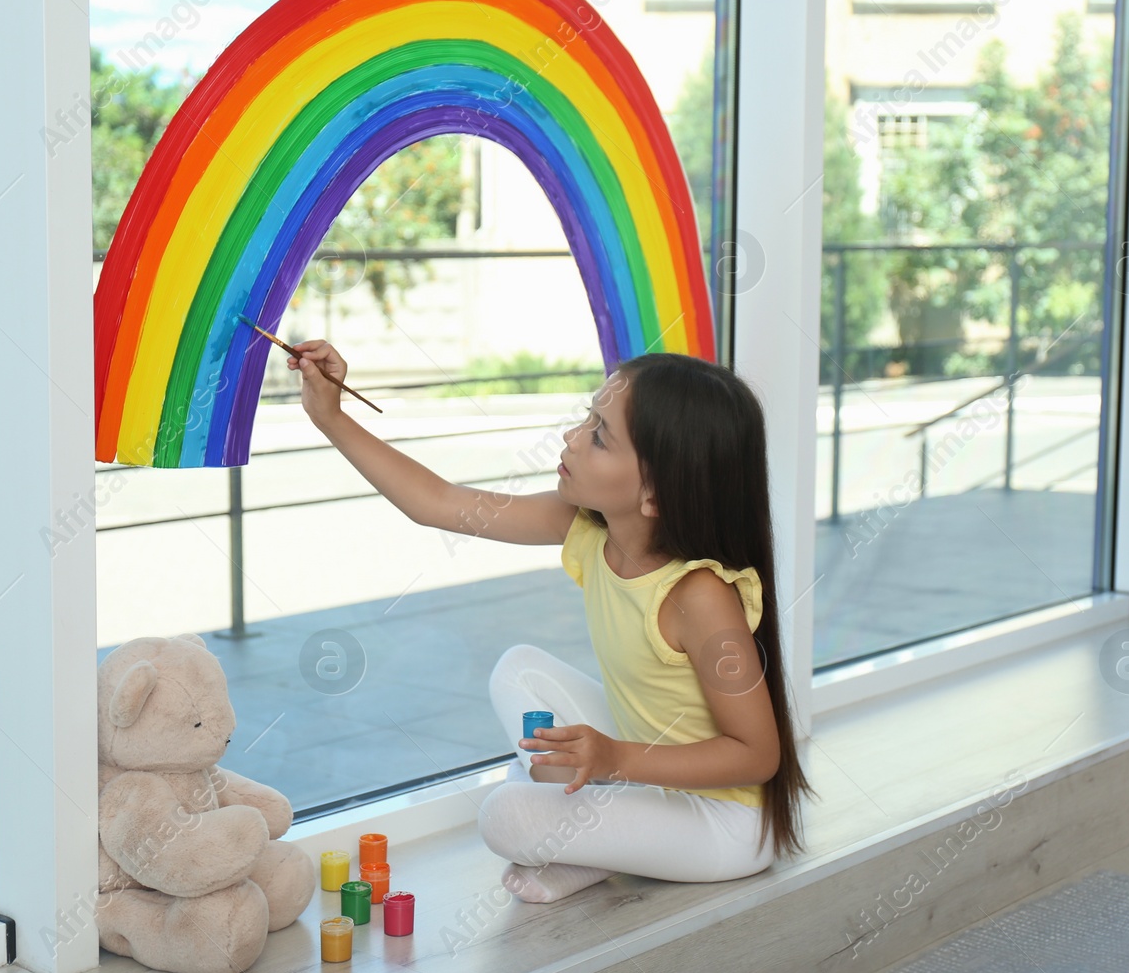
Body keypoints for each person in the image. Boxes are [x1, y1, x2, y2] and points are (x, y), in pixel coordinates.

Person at [287, 338, 816, 903]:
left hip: (723, 823)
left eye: (599, 435)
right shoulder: (590, 527)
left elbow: (758, 756)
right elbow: (436, 502)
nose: (571, 436)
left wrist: (615, 758)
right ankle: (586, 844)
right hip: (647, 776)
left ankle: (577, 840)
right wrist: (329, 415)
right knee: (520, 671)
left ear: (656, 492)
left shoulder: (700, 595)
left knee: (503, 814)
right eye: (588, 417)